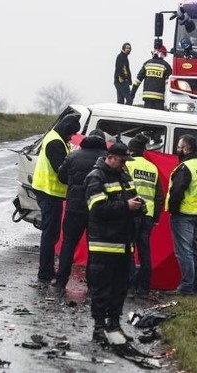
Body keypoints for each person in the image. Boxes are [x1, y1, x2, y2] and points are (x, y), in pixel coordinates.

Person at [85, 142, 144, 344]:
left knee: (120, 288)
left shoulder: (125, 176)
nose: (124, 165)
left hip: (125, 242)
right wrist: (126, 206)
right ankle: (99, 328)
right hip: (104, 243)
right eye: (122, 161)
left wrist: (138, 206)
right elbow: (98, 209)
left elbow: (131, 200)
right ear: (110, 157)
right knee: (102, 287)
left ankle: (114, 326)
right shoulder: (96, 177)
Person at [54, 129, 108, 295]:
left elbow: (62, 176)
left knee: (68, 244)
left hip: (74, 208)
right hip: (97, 209)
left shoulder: (73, 156)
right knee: (95, 247)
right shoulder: (107, 159)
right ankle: (92, 285)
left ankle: (61, 281)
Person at [31, 115, 80, 283]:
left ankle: (47, 269)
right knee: (50, 234)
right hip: (49, 193)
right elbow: (61, 172)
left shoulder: (56, 138)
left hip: (50, 193)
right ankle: (45, 272)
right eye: (72, 133)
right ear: (66, 129)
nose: (72, 136)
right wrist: (77, 180)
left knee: (51, 234)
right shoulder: (55, 143)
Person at [165, 134, 197, 295]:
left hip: (183, 214)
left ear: (187, 149)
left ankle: (186, 287)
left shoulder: (185, 168)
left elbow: (177, 191)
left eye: (179, 147)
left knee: (184, 252)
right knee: (196, 252)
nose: (177, 150)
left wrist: (173, 210)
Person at [126, 134, 165, 300]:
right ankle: (144, 289)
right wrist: (156, 217)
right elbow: (159, 196)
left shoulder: (127, 164)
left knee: (128, 251)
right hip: (148, 215)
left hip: (131, 213)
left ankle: (128, 288)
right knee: (145, 252)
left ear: (131, 150)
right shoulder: (152, 167)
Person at [130, 45, 172, 110]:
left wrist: (132, 94)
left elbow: (138, 80)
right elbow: (171, 78)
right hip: (159, 98)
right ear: (162, 54)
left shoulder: (147, 64)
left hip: (147, 97)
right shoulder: (166, 65)